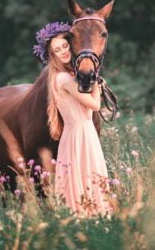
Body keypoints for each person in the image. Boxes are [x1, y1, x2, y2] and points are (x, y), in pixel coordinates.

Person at [33, 22, 111, 217]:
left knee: (88, 176)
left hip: (83, 132)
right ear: (52, 55)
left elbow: (85, 112)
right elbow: (95, 106)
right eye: (57, 50)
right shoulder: (63, 79)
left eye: (65, 46)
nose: (63, 52)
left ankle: (94, 217)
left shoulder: (70, 75)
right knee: (84, 177)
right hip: (79, 134)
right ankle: (86, 219)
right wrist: (95, 83)